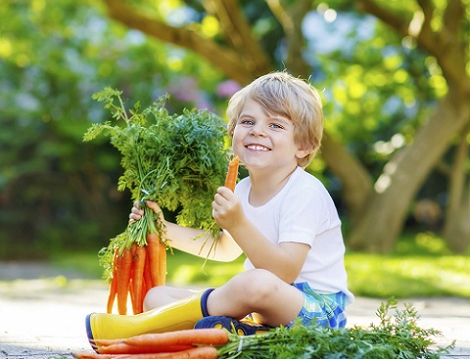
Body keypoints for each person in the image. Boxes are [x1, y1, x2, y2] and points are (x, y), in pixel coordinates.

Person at [86, 71, 354, 345]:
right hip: (262, 306)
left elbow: (284, 273)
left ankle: (133, 332)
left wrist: (238, 223)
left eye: (275, 125)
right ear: (233, 132)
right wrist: (163, 229)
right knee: (156, 297)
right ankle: (243, 334)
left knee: (254, 281)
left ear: (304, 145)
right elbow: (225, 248)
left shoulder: (305, 192)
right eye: (248, 121)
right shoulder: (243, 189)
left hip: (317, 311)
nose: (257, 130)